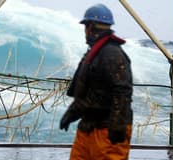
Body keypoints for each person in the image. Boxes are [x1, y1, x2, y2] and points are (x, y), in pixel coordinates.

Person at [59, 3, 133, 160]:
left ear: (90, 27)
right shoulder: (96, 53)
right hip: (88, 127)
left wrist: (117, 126)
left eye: (85, 27)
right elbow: (90, 94)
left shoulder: (111, 54)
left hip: (107, 130)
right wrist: (71, 114)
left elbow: (122, 91)